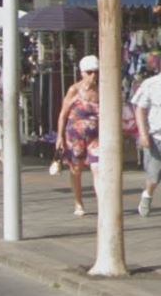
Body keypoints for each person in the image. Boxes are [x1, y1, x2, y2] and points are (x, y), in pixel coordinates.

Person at [55, 55, 100, 217]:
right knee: (76, 169)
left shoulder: (101, 90)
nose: (93, 75)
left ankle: (102, 202)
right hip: (75, 136)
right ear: (82, 73)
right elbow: (63, 114)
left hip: (95, 136)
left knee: (98, 169)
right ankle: (78, 201)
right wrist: (59, 136)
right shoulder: (74, 90)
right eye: (89, 72)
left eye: (96, 72)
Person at [134, 52, 161, 217]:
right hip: (158, 136)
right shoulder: (151, 84)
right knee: (154, 176)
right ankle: (147, 195)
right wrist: (143, 133)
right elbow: (140, 109)